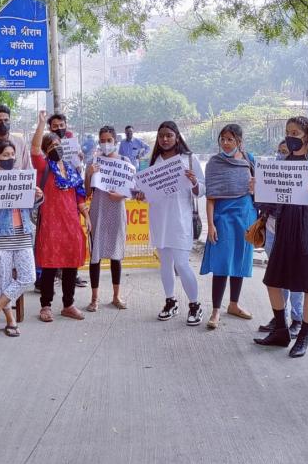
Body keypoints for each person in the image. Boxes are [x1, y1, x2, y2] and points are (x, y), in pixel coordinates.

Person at [254, 116, 308, 357]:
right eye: (288, 132)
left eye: (296, 132)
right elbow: (270, 199)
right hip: (285, 229)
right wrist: (257, 189)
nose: (291, 136)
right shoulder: (283, 162)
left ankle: (303, 335)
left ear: (307, 135)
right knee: (273, 282)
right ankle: (280, 329)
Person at [134, 121, 206, 325]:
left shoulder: (189, 159)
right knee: (165, 264)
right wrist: (141, 194)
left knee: (182, 264)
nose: (164, 139)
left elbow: (202, 190)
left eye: (169, 135)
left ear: (177, 136)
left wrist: (193, 182)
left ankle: (195, 305)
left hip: (180, 219)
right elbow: (149, 192)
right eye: (161, 136)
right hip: (159, 218)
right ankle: (170, 301)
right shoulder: (154, 160)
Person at [0, 139, 42, 337]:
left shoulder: (22, 178)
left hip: (22, 233)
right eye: (5, 155)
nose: (10, 158)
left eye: (12, 155)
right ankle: (10, 321)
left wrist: (36, 197)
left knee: (28, 276)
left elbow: (29, 207)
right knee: (3, 280)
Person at [31, 111, 89, 322]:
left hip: (72, 224)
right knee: (49, 265)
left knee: (71, 264)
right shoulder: (44, 167)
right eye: (51, 147)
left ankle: (68, 304)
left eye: (58, 145)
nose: (55, 148)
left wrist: (85, 214)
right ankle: (45, 305)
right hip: (51, 224)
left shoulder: (72, 169)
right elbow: (35, 148)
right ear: (46, 152)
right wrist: (40, 125)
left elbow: (79, 195)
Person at [200, 124, 257, 329]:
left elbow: (260, 190)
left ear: (239, 141)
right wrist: (211, 225)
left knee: (239, 261)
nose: (225, 143)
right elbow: (211, 197)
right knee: (222, 263)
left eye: (230, 139)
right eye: (222, 139)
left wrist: (255, 188)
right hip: (223, 217)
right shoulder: (214, 163)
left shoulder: (250, 160)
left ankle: (234, 304)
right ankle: (215, 311)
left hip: (245, 216)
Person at [257, 141, 304, 338]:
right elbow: (260, 203)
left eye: (285, 152)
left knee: (294, 278)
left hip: (293, 232)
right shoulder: (269, 174)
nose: (280, 155)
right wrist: (257, 188)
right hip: (271, 230)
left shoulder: (301, 175)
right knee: (277, 276)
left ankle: (297, 319)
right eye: (279, 151)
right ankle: (280, 318)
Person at [83, 126, 129, 312]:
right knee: (96, 255)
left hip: (117, 210)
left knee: (116, 255)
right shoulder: (93, 162)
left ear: (115, 141)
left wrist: (121, 195)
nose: (106, 143)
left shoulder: (124, 161)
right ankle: (94, 298)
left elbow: (130, 189)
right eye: (102, 140)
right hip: (98, 211)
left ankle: (116, 296)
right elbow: (86, 192)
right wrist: (89, 174)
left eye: (109, 140)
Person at [47, 113, 87, 288]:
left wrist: (80, 160)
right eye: (55, 126)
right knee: (53, 244)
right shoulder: (46, 156)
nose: (59, 128)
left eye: (61, 125)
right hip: (53, 209)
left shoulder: (72, 142)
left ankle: (72, 275)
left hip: (71, 205)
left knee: (72, 243)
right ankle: (54, 274)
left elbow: (77, 178)